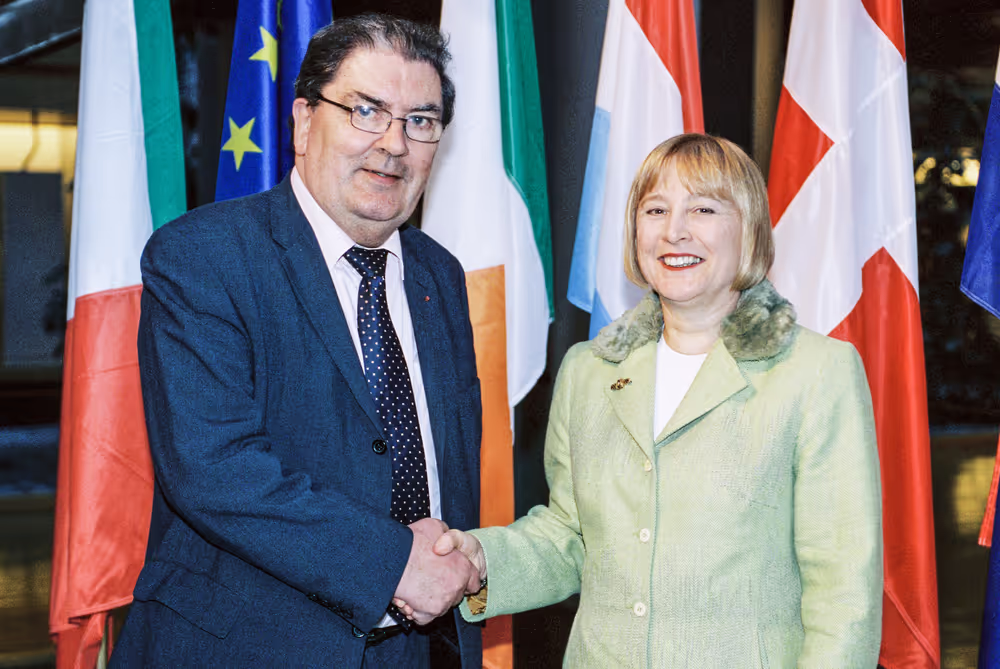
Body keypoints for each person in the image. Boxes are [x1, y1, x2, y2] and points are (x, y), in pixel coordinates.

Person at [111, 14, 484, 668]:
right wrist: (394, 564)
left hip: (418, 649)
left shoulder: (441, 276)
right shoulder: (201, 256)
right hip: (247, 648)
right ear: (305, 121)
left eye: (420, 121)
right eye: (366, 111)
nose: (393, 144)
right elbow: (214, 467)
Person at [431, 134, 884, 667]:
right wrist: (483, 561)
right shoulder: (588, 371)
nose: (674, 230)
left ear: (750, 230)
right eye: (656, 210)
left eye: (704, 209)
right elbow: (572, 537)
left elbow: (843, 597)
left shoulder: (817, 372)